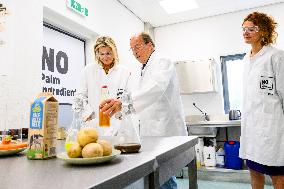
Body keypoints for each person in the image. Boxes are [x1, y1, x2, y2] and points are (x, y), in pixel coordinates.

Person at [100, 32, 188, 189]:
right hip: (152, 132)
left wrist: (125, 103)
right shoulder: (146, 67)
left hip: (164, 130)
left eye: (137, 47)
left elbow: (155, 88)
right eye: (132, 49)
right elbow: (142, 99)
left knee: (165, 176)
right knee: (160, 176)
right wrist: (122, 107)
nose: (135, 52)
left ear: (150, 45)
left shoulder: (162, 61)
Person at [240, 12, 284, 189]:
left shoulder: (276, 56)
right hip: (252, 131)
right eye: (244, 29)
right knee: (255, 174)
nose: (246, 32)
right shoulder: (246, 59)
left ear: (264, 31)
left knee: (278, 177)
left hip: (272, 131)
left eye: (252, 29)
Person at [73, 36, 131, 136]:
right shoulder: (89, 70)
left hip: (116, 123)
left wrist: (120, 112)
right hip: (93, 123)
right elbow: (80, 96)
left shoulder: (124, 72)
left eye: (108, 53)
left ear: (114, 52)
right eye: (102, 54)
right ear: (97, 54)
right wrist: (88, 113)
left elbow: (129, 98)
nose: (105, 57)